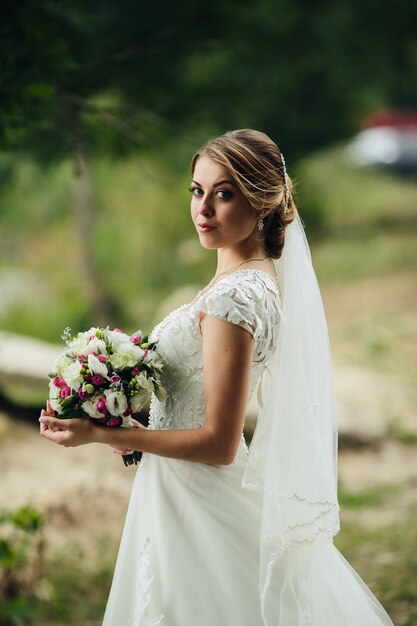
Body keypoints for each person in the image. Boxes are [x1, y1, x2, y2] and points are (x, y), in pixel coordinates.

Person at [40, 129, 394, 625]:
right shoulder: (241, 280)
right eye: (197, 191)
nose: (203, 208)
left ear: (262, 203)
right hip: (175, 489)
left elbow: (219, 443)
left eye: (224, 194)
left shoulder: (236, 298)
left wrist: (101, 431)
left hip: (203, 499)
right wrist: (132, 425)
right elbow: (198, 401)